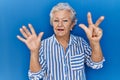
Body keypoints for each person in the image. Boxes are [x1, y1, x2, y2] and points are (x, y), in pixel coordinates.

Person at [17, 3, 105, 80]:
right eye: (56, 20)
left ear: (72, 24)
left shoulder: (81, 42)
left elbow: (96, 64)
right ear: (52, 23)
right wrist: (34, 52)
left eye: (65, 20)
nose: (60, 24)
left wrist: (95, 43)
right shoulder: (43, 45)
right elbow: (35, 76)